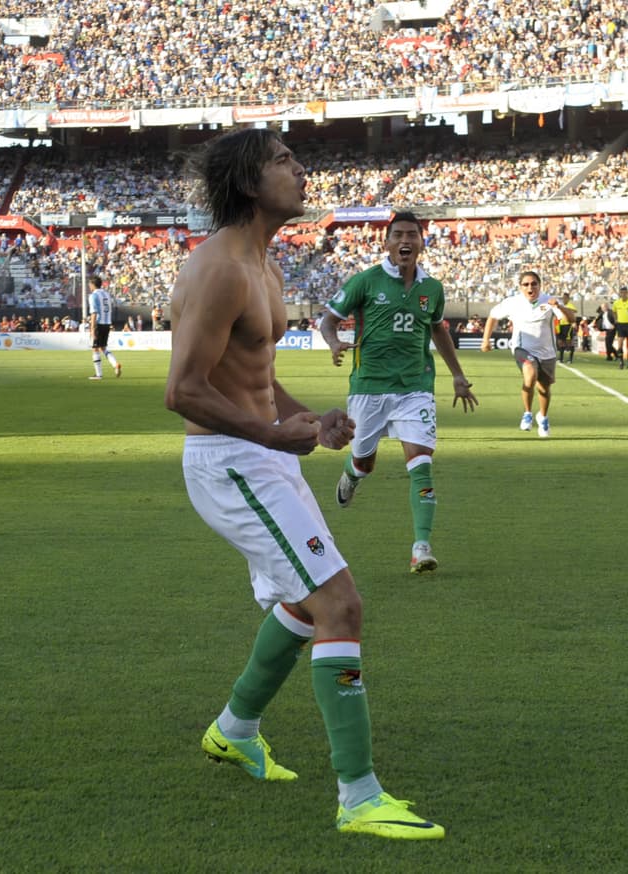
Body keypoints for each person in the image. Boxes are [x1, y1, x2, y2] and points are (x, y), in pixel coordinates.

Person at [164, 128, 443, 841]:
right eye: (285, 160)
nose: (301, 169)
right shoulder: (218, 268)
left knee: (303, 600)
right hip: (229, 462)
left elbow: (254, 373)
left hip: (260, 455)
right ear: (251, 183)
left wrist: (305, 420)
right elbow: (183, 392)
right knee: (339, 602)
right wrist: (269, 434)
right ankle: (359, 796)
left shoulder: (265, 265)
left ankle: (234, 728)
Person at [320, 210, 477, 574]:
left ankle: (421, 546)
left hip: (415, 388)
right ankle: (352, 473)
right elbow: (328, 320)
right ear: (387, 242)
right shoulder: (365, 281)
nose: (405, 241)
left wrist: (457, 375)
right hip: (369, 388)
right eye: (399, 235)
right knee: (365, 461)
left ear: (421, 242)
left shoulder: (432, 289)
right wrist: (333, 342)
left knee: (421, 464)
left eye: (412, 235)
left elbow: (438, 331)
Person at [480, 271, 575, 437]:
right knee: (530, 374)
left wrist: (559, 306)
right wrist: (485, 340)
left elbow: (571, 319)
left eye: (533, 284)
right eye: (526, 284)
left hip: (547, 352)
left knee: (544, 388)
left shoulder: (549, 301)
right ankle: (527, 413)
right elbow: (493, 316)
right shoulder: (512, 303)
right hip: (522, 348)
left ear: (539, 285)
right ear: (520, 287)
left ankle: (543, 417)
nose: (530, 287)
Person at [87, 275, 122, 380]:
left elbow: (94, 313)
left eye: (89, 284)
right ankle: (115, 364)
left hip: (98, 323)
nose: (89, 286)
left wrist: (92, 329)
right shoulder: (106, 294)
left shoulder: (93, 295)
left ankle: (98, 375)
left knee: (95, 348)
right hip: (107, 323)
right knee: (103, 347)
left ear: (92, 284)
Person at [554, 290, 576, 363]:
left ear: (568, 298)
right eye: (563, 298)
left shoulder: (570, 305)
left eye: (565, 298)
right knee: (561, 342)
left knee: (569, 342)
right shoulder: (561, 305)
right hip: (560, 325)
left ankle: (570, 359)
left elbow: (574, 311)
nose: (564, 299)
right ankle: (561, 358)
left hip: (568, 325)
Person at [613, 287, 628, 368]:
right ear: (620, 294)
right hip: (621, 325)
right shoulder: (616, 303)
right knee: (620, 344)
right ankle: (621, 362)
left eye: (625, 293)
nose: (623, 294)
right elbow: (614, 311)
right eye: (622, 293)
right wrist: (616, 319)